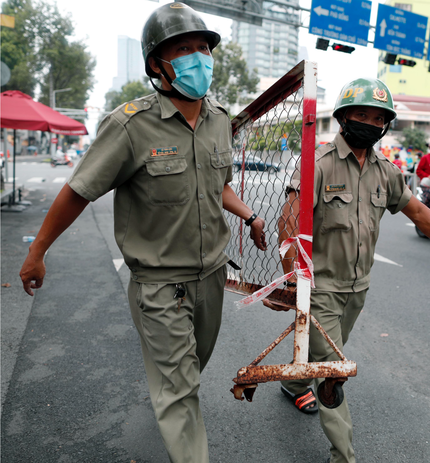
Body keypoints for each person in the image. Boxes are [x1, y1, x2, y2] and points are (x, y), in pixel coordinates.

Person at [18, 4, 267, 462]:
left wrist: (250, 216)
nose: (199, 58)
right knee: (178, 390)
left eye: (203, 48)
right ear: (157, 63)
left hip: (212, 277)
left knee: (191, 371)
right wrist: (37, 251)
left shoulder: (218, 121)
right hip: (159, 286)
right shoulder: (129, 124)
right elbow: (79, 191)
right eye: (184, 49)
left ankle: (176, 406)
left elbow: (219, 185)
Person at [265, 77, 430, 463]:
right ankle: (344, 455)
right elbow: (288, 221)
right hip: (319, 288)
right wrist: (292, 281)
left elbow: (416, 210)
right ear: (343, 116)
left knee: (326, 354)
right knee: (333, 371)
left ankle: (295, 381)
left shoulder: (387, 170)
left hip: (358, 289)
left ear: (386, 124)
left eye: (378, 117)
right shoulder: (317, 164)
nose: (369, 122)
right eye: (361, 113)